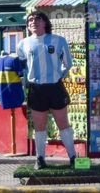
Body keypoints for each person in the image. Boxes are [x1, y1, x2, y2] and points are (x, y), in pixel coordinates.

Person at [17, 11, 76, 169]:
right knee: (39, 126)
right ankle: (40, 159)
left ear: (45, 22)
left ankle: (73, 157)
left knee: (63, 124)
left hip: (55, 87)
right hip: (36, 89)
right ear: (27, 25)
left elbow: (68, 63)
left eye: (37, 19)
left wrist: (58, 75)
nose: (33, 22)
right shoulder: (23, 44)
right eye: (30, 20)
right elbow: (22, 66)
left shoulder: (58, 40)